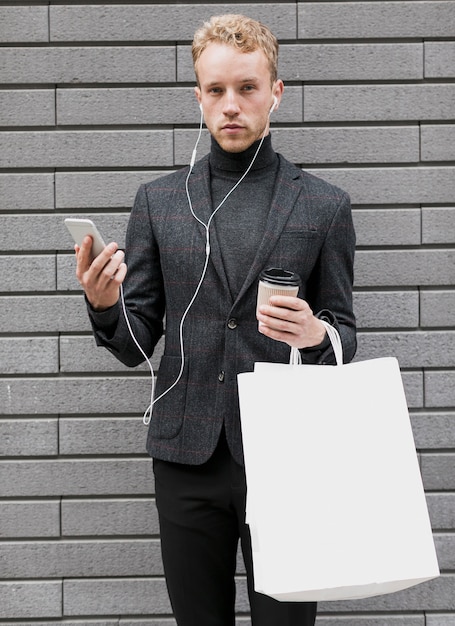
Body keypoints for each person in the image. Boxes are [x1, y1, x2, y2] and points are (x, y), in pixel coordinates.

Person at [74, 13, 356, 626]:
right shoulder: (158, 202)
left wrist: (317, 334)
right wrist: (104, 306)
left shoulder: (324, 205)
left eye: (247, 88)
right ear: (198, 96)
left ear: (276, 92)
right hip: (185, 455)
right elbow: (136, 341)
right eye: (216, 90)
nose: (232, 105)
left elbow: (344, 334)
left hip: (286, 459)